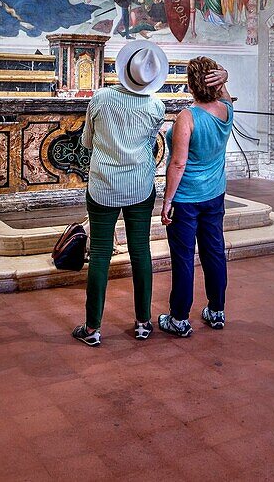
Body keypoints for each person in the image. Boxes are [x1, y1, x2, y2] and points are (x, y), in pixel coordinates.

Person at [72, 40, 169, 347]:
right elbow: (150, 144)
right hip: (140, 185)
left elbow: (87, 142)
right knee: (141, 250)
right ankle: (143, 323)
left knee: (100, 253)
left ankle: (92, 329)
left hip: (103, 185)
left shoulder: (101, 98)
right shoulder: (156, 105)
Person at [158, 57, 233, 338]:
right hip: (215, 194)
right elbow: (225, 94)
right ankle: (216, 311)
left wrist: (167, 201)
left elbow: (178, 164)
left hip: (187, 198)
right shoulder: (226, 110)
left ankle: (179, 318)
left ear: (190, 84)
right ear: (215, 80)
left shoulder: (187, 117)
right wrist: (225, 77)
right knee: (214, 252)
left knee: (184, 257)